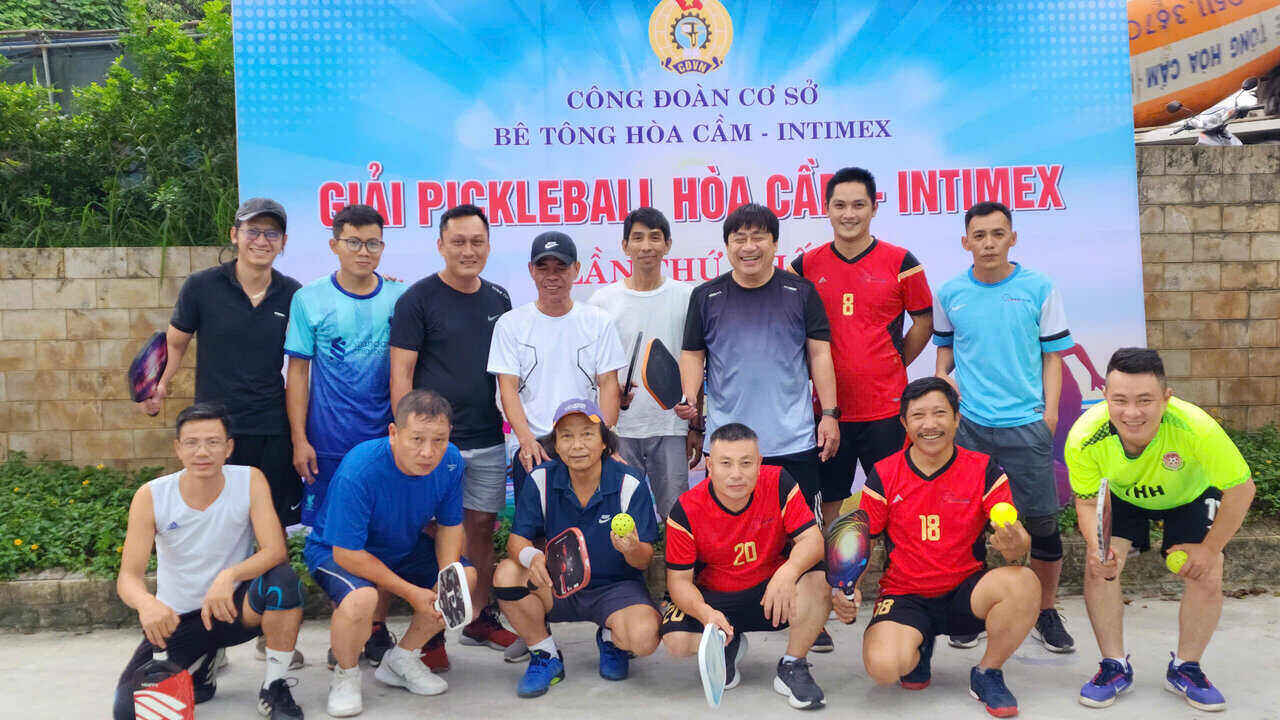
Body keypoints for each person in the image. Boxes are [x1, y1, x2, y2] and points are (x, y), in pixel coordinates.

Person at [832, 377, 1041, 718]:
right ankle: (919, 643)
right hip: (905, 594)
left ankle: (988, 672)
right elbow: (862, 541)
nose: (930, 424)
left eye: (940, 413)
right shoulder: (884, 474)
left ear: (957, 418)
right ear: (904, 423)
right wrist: (846, 587)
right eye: (918, 416)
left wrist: (1016, 541)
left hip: (965, 592)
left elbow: (1017, 544)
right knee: (884, 668)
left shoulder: (982, 468)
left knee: (1024, 582)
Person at [792, 168, 934, 653]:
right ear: (826, 209)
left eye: (858, 205)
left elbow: (923, 320)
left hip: (885, 410)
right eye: (839, 205)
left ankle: (896, 601)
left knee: (893, 506)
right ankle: (830, 601)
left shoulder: (901, 262)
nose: (849, 214)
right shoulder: (805, 265)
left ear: (875, 206)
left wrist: (896, 362)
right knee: (830, 509)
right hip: (825, 412)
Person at [1066, 348, 1255, 712]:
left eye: (1145, 400)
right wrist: (1095, 545)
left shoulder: (1196, 427)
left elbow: (1242, 489)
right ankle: (1113, 665)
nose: (1132, 413)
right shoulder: (1084, 436)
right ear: (1104, 396)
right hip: (1124, 495)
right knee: (1100, 565)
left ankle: (1186, 667)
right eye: (1119, 400)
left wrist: (1210, 548)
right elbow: (1088, 502)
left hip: (1189, 494)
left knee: (1206, 569)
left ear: (1167, 398)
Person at [932, 201, 1076, 653]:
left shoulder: (1038, 288)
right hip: (970, 427)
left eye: (998, 234)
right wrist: (941, 413)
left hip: (1026, 425)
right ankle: (969, 611)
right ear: (965, 242)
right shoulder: (951, 292)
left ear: (1012, 238)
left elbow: (1052, 356)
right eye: (980, 235)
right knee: (966, 526)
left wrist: (1048, 415)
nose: (989, 243)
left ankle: (1046, 610)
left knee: (1042, 524)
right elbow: (944, 357)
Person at [113, 403, 306, 720]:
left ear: (229, 447)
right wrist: (147, 604)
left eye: (213, 442)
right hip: (179, 619)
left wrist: (230, 576)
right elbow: (128, 578)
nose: (202, 451)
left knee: (283, 583)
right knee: (128, 713)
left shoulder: (249, 480)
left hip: (232, 609)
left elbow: (274, 550)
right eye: (192, 442)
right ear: (178, 448)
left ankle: (274, 687)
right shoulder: (152, 495)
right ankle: (203, 662)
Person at [389, 204, 519, 658]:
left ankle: (480, 617)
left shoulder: (500, 299)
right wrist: (409, 441)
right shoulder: (417, 300)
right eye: (458, 242)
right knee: (434, 533)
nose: (468, 250)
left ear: (488, 246)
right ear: (440, 245)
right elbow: (401, 374)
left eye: (476, 242)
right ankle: (433, 633)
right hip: (435, 443)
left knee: (482, 526)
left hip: (486, 435)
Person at [303, 390, 476, 717]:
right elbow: (348, 555)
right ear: (394, 434)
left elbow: (451, 526)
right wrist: (412, 593)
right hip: (337, 551)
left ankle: (401, 659)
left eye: (438, 440)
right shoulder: (361, 467)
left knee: (462, 577)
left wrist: (447, 576)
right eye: (417, 439)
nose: (428, 452)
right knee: (361, 600)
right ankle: (346, 674)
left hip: (402, 547)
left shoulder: (451, 461)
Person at [285, 203, 407, 668]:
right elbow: (297, 373)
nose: (363, 251)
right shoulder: (309, 299)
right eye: (353, 241)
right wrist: (300, 438)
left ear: (382, 247)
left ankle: (373, 633)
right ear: (334, 244)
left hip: (384, 445)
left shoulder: (399, 298)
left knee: (380, 539)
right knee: (337, 543)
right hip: (329, 446)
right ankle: (346, 640)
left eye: (373, 242)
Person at [137, 198, 303, 528]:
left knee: (271, 518)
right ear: (234, 235)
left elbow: (303, 363)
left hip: (271, 424)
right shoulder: (202, 286)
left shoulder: (293, 294)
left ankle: (271, 579)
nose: (261, 241)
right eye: (252, 231)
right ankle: (221, 578)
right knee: (217, 516)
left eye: (271, 234)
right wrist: (160, 384)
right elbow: (176, 343)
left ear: (283, 243)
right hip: (214, 426)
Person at [679, 203, 840, 520]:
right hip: (729, 447)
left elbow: (820, 355)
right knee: (733, 538)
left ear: (775, 244)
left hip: (794, 442)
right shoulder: (705, 296)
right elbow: (693, 354)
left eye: (759, 237)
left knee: (804, 537)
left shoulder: (801, 292)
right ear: (727, 246)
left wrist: (831, 415)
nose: (749, 247)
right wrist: (689, 399)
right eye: (739, 239)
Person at [493, 398, 662, 698]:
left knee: (645, 638)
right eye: (566, 435)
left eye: (587, 434)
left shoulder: (630, 483)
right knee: (507, 574)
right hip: (557, 583)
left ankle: (611, 638)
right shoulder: (541, 479)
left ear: (604, 443)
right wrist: (532, 557)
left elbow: (644, 561)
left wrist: (632, 548)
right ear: (555, 445)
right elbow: (516, 540)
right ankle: (545, 654)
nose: (577, 445)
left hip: (615, 587)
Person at [660, 423, 831, 711]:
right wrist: (706, 614)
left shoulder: (778, 481)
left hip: (770, 594)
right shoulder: (686, 509)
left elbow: (812, 541)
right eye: (725, 463)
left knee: (819, 581)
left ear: (760, 464)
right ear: (709, 466)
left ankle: (793, 664)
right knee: (676, 641)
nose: (736, 474)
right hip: (715, 597)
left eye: (746, 463)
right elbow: (678, 582)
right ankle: (729, 642)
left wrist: (787, 572)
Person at [488, 231, 627, 502]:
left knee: (589, 528)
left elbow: (609, 384)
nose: (552, 276)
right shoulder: (510, 324)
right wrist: (526, 440)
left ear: (576, 269)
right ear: (531, 270)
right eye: (543, 267)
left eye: (561, 267)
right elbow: (508, 388)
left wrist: (603, 442)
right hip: (535, 444)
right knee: (535, 531)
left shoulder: (599, 321)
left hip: (585, 443)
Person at [587, 207, 696, 520]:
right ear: (625, 247)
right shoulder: (603, 301)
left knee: (676, 518)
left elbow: (696, 361)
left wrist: (696, 424)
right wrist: (608, 395)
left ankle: (677, 571)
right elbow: (591, 368)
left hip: (671, 427)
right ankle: (625, 571)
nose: (646, 245)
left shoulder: (687, 296)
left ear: (667, 245)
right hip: (619, 429)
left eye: (654, 238)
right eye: (637, 238)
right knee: (620, 517)